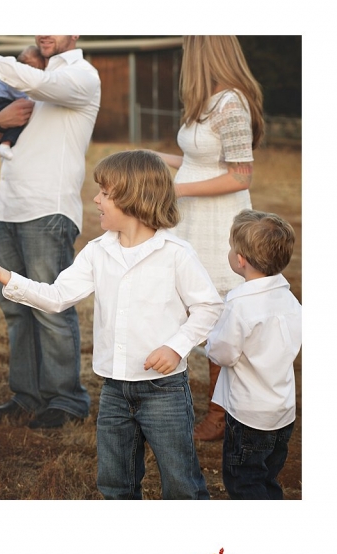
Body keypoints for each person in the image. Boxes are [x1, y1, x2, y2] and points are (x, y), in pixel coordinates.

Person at [0, 150, 223, 499]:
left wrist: (176, 346)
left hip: (164, 393)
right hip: (115, 391)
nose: (95, 199)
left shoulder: (177, 254)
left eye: (105, 192)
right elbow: (56, 297)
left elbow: (208, 306)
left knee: (181, 484)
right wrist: (4, 275)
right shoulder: (97, 252)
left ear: (134, 197)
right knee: (115, 484)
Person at [0, 35, 101, 429]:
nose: (44, 31)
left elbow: (36, 84)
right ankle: (26, 396)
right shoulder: (32, 78)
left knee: (51, 309)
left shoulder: (80, 77)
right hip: (10, 210)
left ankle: (66, 400)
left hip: (49, 211)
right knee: (16, 308)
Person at [154, 36, 265, 442]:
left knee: (218, 319)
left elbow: (241, 174)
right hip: (193, 221)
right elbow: (201, 163)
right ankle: (205, 406)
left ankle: (221, 416)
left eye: (189, 49)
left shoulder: (231, 103)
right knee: (195, 311)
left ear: (203, 52)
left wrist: (178, 191)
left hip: (218, 223)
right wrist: (158, 160)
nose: (186, 58)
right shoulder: (206, 102)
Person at [204, 210, 301, 500]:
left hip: (249, 416)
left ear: (241, 259)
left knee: (244, 481)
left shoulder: (240, 304)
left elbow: (223, 353)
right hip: (282, 412)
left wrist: (209, 341)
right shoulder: (289, 298)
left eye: (232, 247)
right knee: (267, 475)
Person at [0, 45, 45, 160]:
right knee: (20, 116)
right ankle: (5, 144)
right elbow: (20, 94)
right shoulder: (16, 75)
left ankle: (5, 144)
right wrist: (32, 100)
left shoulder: (15, 71)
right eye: (32, 69)